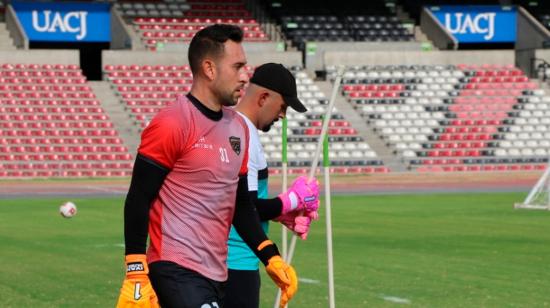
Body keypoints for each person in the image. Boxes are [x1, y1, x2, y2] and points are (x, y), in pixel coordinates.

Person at [115, 25, 316, 308]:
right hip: (174, 269)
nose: (245, 76)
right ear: (209, 68)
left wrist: (271, 256)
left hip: (217, 275)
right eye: (238, 67)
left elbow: (240, 206)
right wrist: (135, 271)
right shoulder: (172, 123)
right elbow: (139, 198)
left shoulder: (239, 129)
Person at [224, 63, 320, 308]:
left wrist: (281, 213)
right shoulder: (244, 134)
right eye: (283, 107)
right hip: (236, 261)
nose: (283, 115)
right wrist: (293, 200)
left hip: (231, 259)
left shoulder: (234, 127)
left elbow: (234, 199)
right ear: (264, 97)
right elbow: (247, 207)